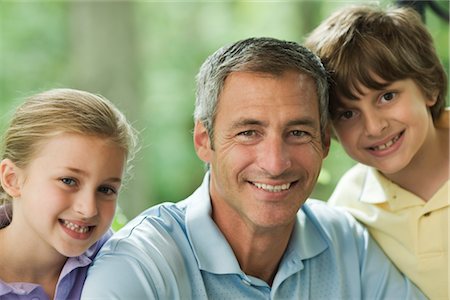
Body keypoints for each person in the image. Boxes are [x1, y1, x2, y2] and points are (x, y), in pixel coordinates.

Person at [82, 37, 425, 299]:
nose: (275, 163)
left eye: (297, 133)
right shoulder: (140, 265)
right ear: (204, 140)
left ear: (324, 142)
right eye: (248, 133)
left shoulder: (349, 245)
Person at [305, 5, 449, 299]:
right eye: (347, 114)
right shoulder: (349, 207)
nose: (373, 127)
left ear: (429, 87)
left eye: (387, 96)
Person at [0, 88, 137, 299]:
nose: (88, 208)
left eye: (106, 189)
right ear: (12, 179)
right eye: (68, 181)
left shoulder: (122, 260)